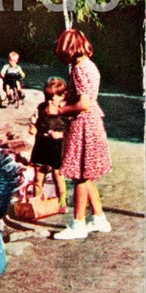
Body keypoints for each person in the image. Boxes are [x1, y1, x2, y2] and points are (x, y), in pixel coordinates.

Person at [53, 28, 112, 240]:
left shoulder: (79, 70)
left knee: (79, 175)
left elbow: (84, 104)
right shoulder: (89, 66)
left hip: (84, 125)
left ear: (69, 50)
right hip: (92, 123)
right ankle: (98, 217)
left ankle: (78, 224)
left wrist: (60, 110)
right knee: (86, 175)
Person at [29, 77, 68, 212]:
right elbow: (34, 121)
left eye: (53, 98)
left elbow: (69, 128)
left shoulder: (64, 111)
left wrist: (61, 134)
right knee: (39, 174)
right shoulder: (41, 108)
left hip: (56, 145)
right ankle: (36, 202)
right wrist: (33, 128)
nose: (50, 102)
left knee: (58, 174)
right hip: (41, 143)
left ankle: (62, 202)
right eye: (48, 98)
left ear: (62, 96)